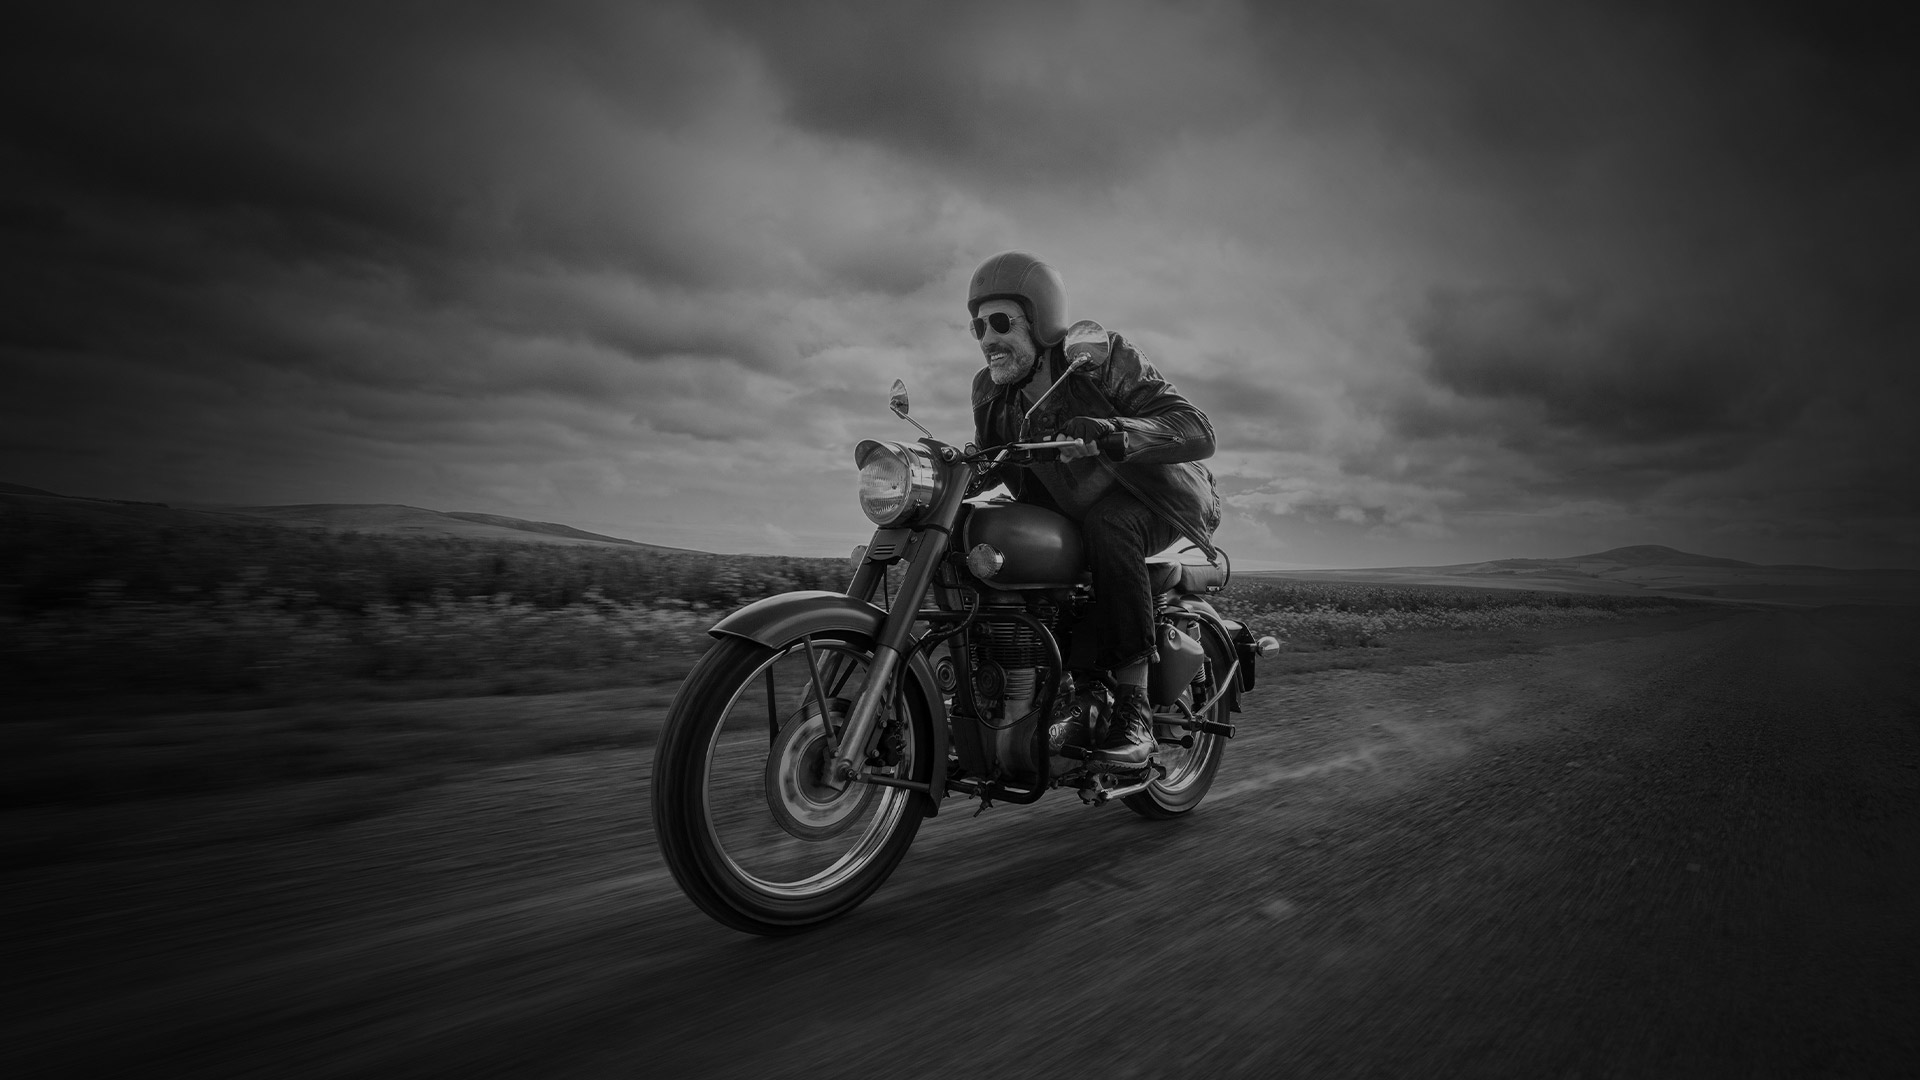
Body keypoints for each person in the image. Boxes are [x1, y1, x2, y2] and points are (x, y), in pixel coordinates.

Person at [965, 251, 1221, 770]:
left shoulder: (1099, 359)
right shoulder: (990, 391)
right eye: (977, 326)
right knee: (968, 532)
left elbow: (1195, 428)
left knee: (1111, 522)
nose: (988, 338)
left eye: (1000, 322)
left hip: (1156, 499)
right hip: (1068, 512)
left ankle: (1134, 708)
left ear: (1040, 318)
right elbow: (987, 462)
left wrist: (1115, 432)